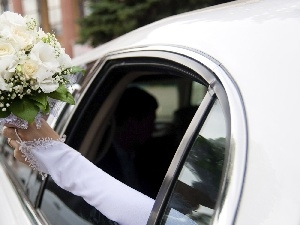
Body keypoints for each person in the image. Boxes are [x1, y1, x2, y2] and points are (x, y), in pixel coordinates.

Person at [97, 86, 158, 191]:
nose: (153, 129)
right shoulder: (101, 160)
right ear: (131, 122)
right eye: (149, 123)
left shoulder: (144, 155)